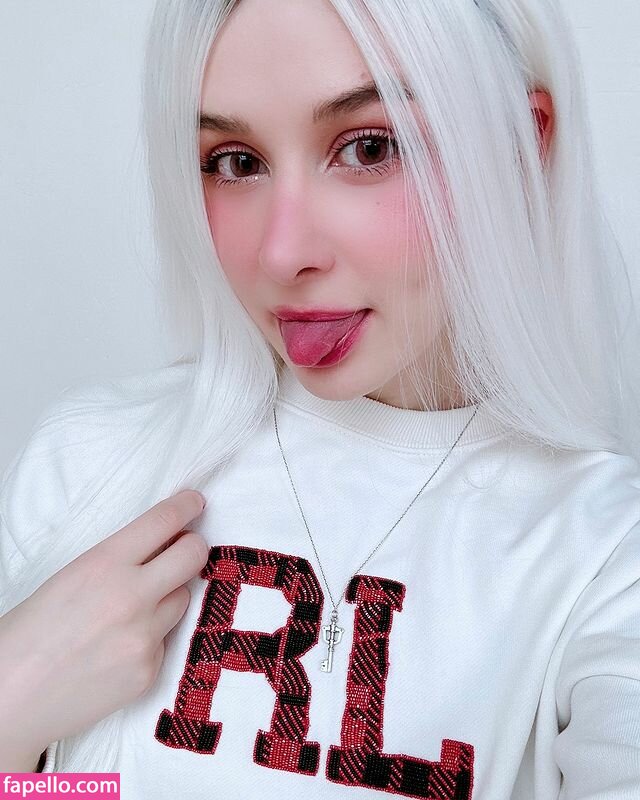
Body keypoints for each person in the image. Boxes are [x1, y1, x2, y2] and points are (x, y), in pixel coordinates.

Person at [1, 0, 639, 796]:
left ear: (521, 146)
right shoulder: (93, 464)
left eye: (369, 148)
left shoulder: (606, 556)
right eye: (236, 162)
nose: (283, 253)